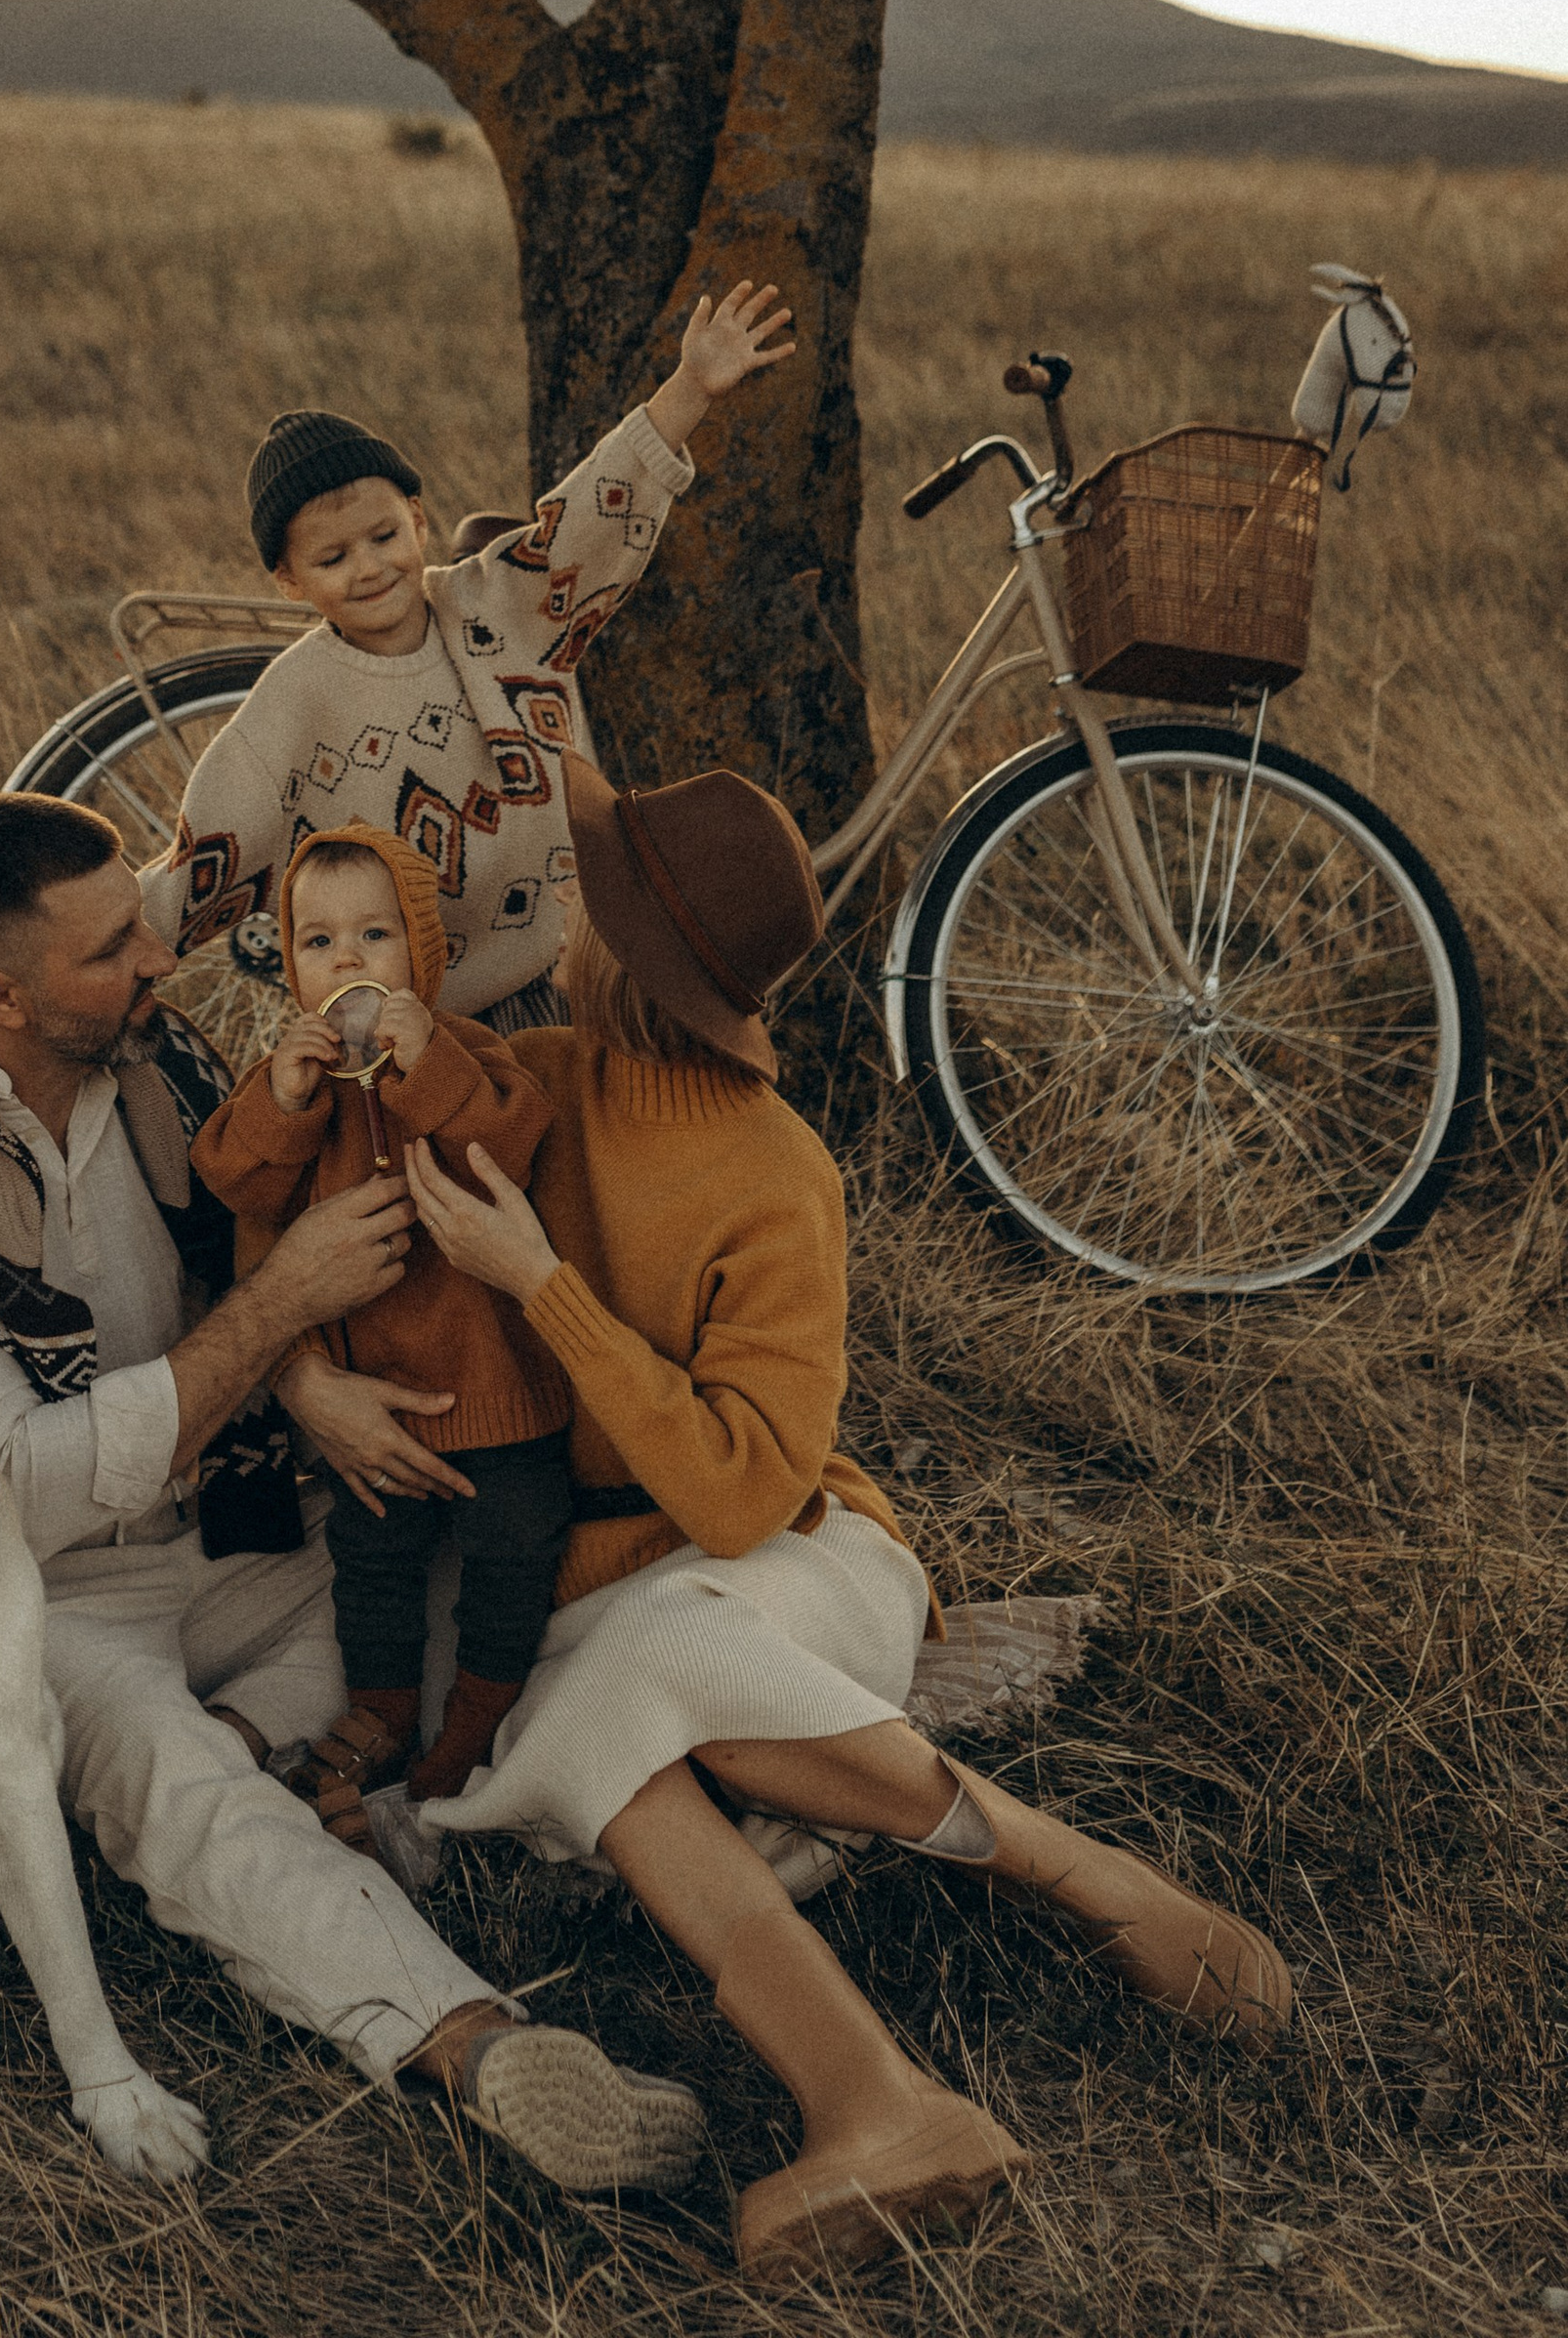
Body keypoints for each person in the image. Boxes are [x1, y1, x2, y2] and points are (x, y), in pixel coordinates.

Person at [347, 742, 1295, 2283]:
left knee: (632, 1679)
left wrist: (547, 1291)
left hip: (793, 1560)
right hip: (592, 1591)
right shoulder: (540, 1089)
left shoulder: (777, 1172)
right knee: (601, 1709)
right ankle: (901, 2075)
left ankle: (992, 1956)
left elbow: (738, 1494)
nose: (562, 926)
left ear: (629, 956)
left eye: (588, 909)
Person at [0, 790, 706, 2195]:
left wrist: (310, 1381)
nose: (161, 961)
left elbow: (253, 1234)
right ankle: (479, 2046)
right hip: (16, 1588)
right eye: (111, 952)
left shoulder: (157, 1058)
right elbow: (17, 1494)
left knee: (501, 1573)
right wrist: (278, 1319)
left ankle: (693, 1791)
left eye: (145, 931)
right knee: (170, 1774)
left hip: (241, 1510)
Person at [136, 280, 794, 1032]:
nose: (370, 568)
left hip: (569, 966)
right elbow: (204, 854)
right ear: (289, 581)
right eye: (333, 557)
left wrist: (690, 389)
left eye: (384, 537)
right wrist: (106, 958)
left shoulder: (499, 605)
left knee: (584, 1142)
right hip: (413, 1016)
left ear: (417, 520)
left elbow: (588, 516)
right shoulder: (296, 700)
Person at [188, 824, 571, 1845]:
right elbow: (236, 1180)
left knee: (511, 1547)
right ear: (290, 965)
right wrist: (283, 1097)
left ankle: (479, 1711)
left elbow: (514, 1142)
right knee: (372, 1563)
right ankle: (387, 1709)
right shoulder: (297, 1086)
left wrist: (423, 1067)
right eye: (317, 943)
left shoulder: (467, 1054)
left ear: (424, 957)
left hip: (493, 1391)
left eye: (373, 935)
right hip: (371, 1406)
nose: (346, 961)